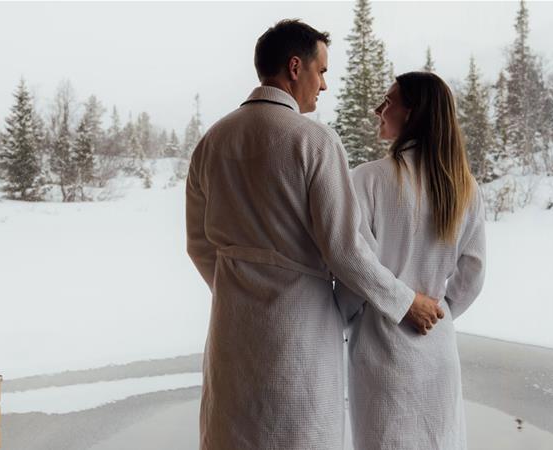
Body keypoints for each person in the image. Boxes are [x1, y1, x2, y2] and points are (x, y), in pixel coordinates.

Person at [186, 20, 442, 450]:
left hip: (232, 329)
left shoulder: (212, 141)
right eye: (321, 71)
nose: (324, 85)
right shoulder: (314, 141)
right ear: (294, 67)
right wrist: (406, 302)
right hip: (298, 333)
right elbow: (346, 250)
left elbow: (198, 244)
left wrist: (238, 287)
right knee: (299, 434)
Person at [336, 72, 486, 450]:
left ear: (413, 112)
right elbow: (473, 273)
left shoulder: (368, 180)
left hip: (381, 349)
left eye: (387, 101)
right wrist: (441, 312)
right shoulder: (463, 187)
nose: (377, 110)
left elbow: (355, 265)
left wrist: (352, 315)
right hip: (437, 349)